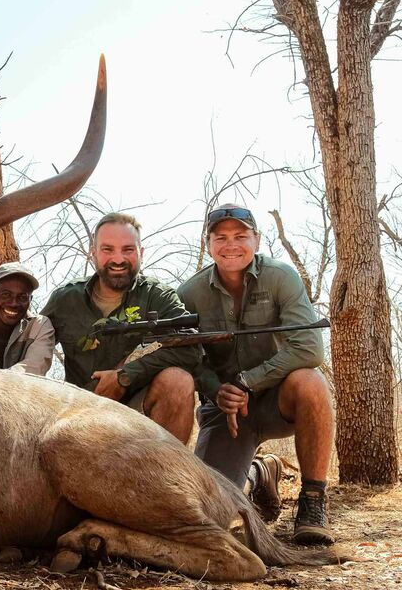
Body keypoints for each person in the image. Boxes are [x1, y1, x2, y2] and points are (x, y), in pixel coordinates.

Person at [178, 203, 336, 545]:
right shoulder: (189, 294)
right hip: (227, 410)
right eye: (221, 237)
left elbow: (309, 349)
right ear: (208, 244)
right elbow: (186, 356)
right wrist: (216, 389)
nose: (231, 244)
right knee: (211, 513)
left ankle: (312, 501)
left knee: (311, 381)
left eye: (240, 236)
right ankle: (259, 474)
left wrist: (247, 382)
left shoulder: (281, 277)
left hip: (278, 400)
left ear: (257, 240)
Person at [41, 213, 198, 444]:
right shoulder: (65, 299)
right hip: (77, 413)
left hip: (137, 411)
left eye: (127, 250)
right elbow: (33, 342)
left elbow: (191, 348)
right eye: (107, 249)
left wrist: (126, 376)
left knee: (178, 382)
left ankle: (165, 478)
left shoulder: (158, 295)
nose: (118, 259)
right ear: (92, 252)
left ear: (141, 253)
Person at [0, 262, 55, 377]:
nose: (14, 303)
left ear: (31, 299)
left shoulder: (40, 327)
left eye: (22, 297)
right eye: (6, 294)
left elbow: (33, 372)